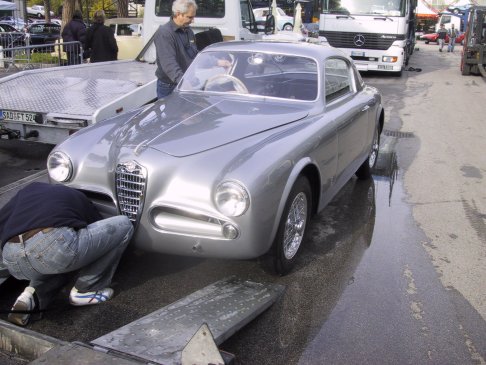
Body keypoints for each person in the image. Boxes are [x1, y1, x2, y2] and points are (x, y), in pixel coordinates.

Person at [0, 182, 133, 326]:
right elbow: (96, 242)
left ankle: (30, 297)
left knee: (53, 259)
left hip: (12, 257)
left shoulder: (29, 190)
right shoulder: (78, 197)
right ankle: (87, 289)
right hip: (51, 245)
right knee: (123, 225)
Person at [154, 0, 198, 99]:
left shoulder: (188, 30)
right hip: (170, 87)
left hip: (187, 82)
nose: (193, 20)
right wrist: (183, 82)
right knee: (172, 115)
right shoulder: (165, 33)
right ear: (178, 14)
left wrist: (215, 61)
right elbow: (169, 64)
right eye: (190, 17)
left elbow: (194, 54)